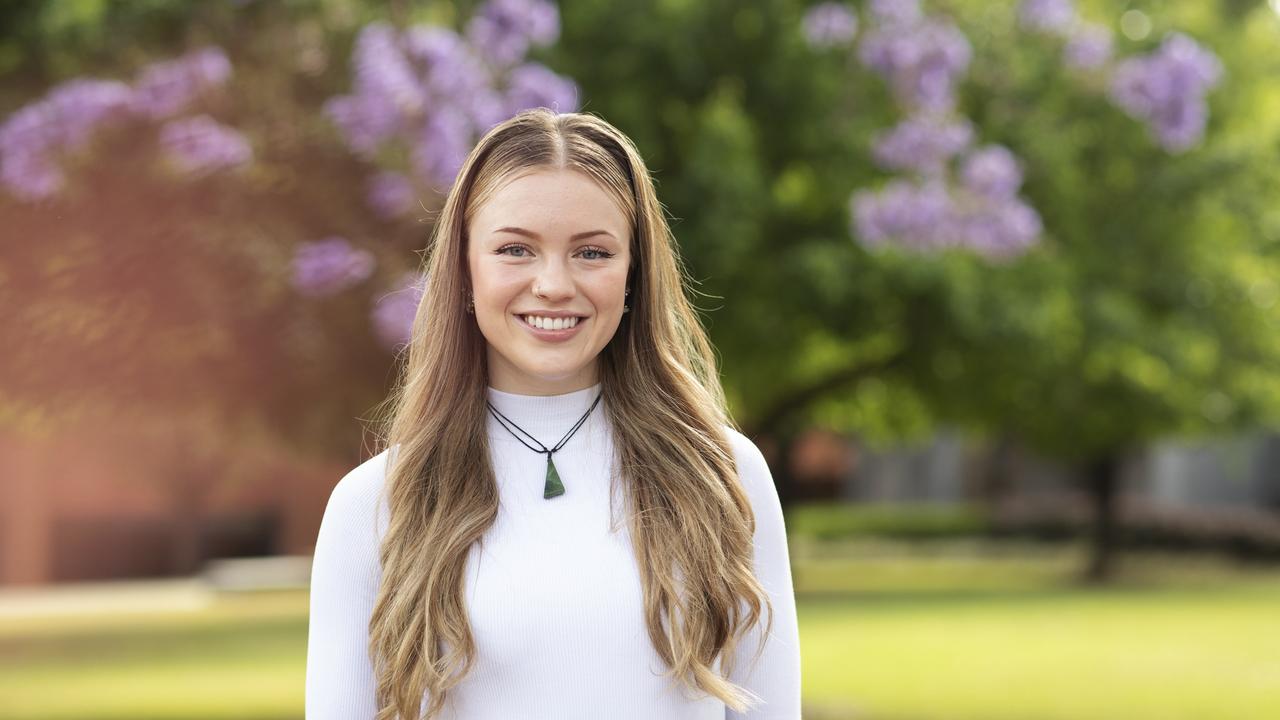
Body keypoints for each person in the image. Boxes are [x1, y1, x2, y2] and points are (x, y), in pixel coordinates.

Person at [305, 108, 800, 719]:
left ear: (633, 277)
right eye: (516, 249)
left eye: (591, 253)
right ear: (463, 270)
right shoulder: (374, 502)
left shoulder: (724, 474)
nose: (553, 285)